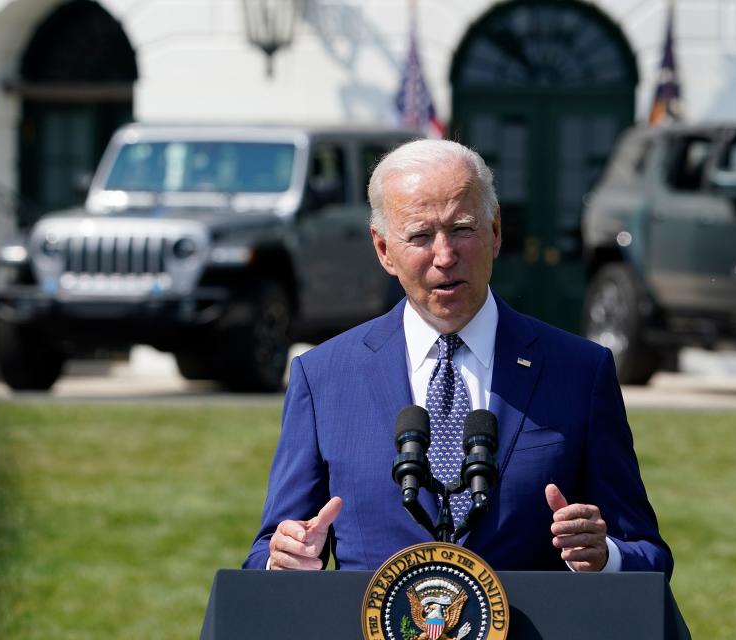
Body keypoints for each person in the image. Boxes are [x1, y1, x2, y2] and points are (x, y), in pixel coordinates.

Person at [243, 139, 672, 575]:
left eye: (463, 229)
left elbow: (648, 553)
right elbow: (265, 553)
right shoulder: (324, 378)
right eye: (420, 236)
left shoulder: (580, 372)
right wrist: (285, 558)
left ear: (496, 231)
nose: (445, 256)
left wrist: (605, 557)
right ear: (383, 249)